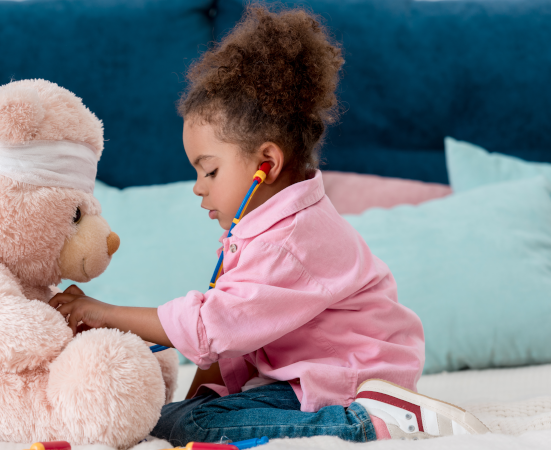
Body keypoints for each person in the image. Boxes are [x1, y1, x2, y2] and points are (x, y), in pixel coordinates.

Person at [50, 4, 489, 443]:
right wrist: (197, 403)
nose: (198, 188)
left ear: (267, 163)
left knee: (183, 424)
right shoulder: (263, 230)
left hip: (350, 385)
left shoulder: (288, 242)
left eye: (210, 171)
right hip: (310, 379)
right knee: (178, 419)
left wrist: (99, 312)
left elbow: (209, 329)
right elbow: (224, 343)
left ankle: (374, 424)